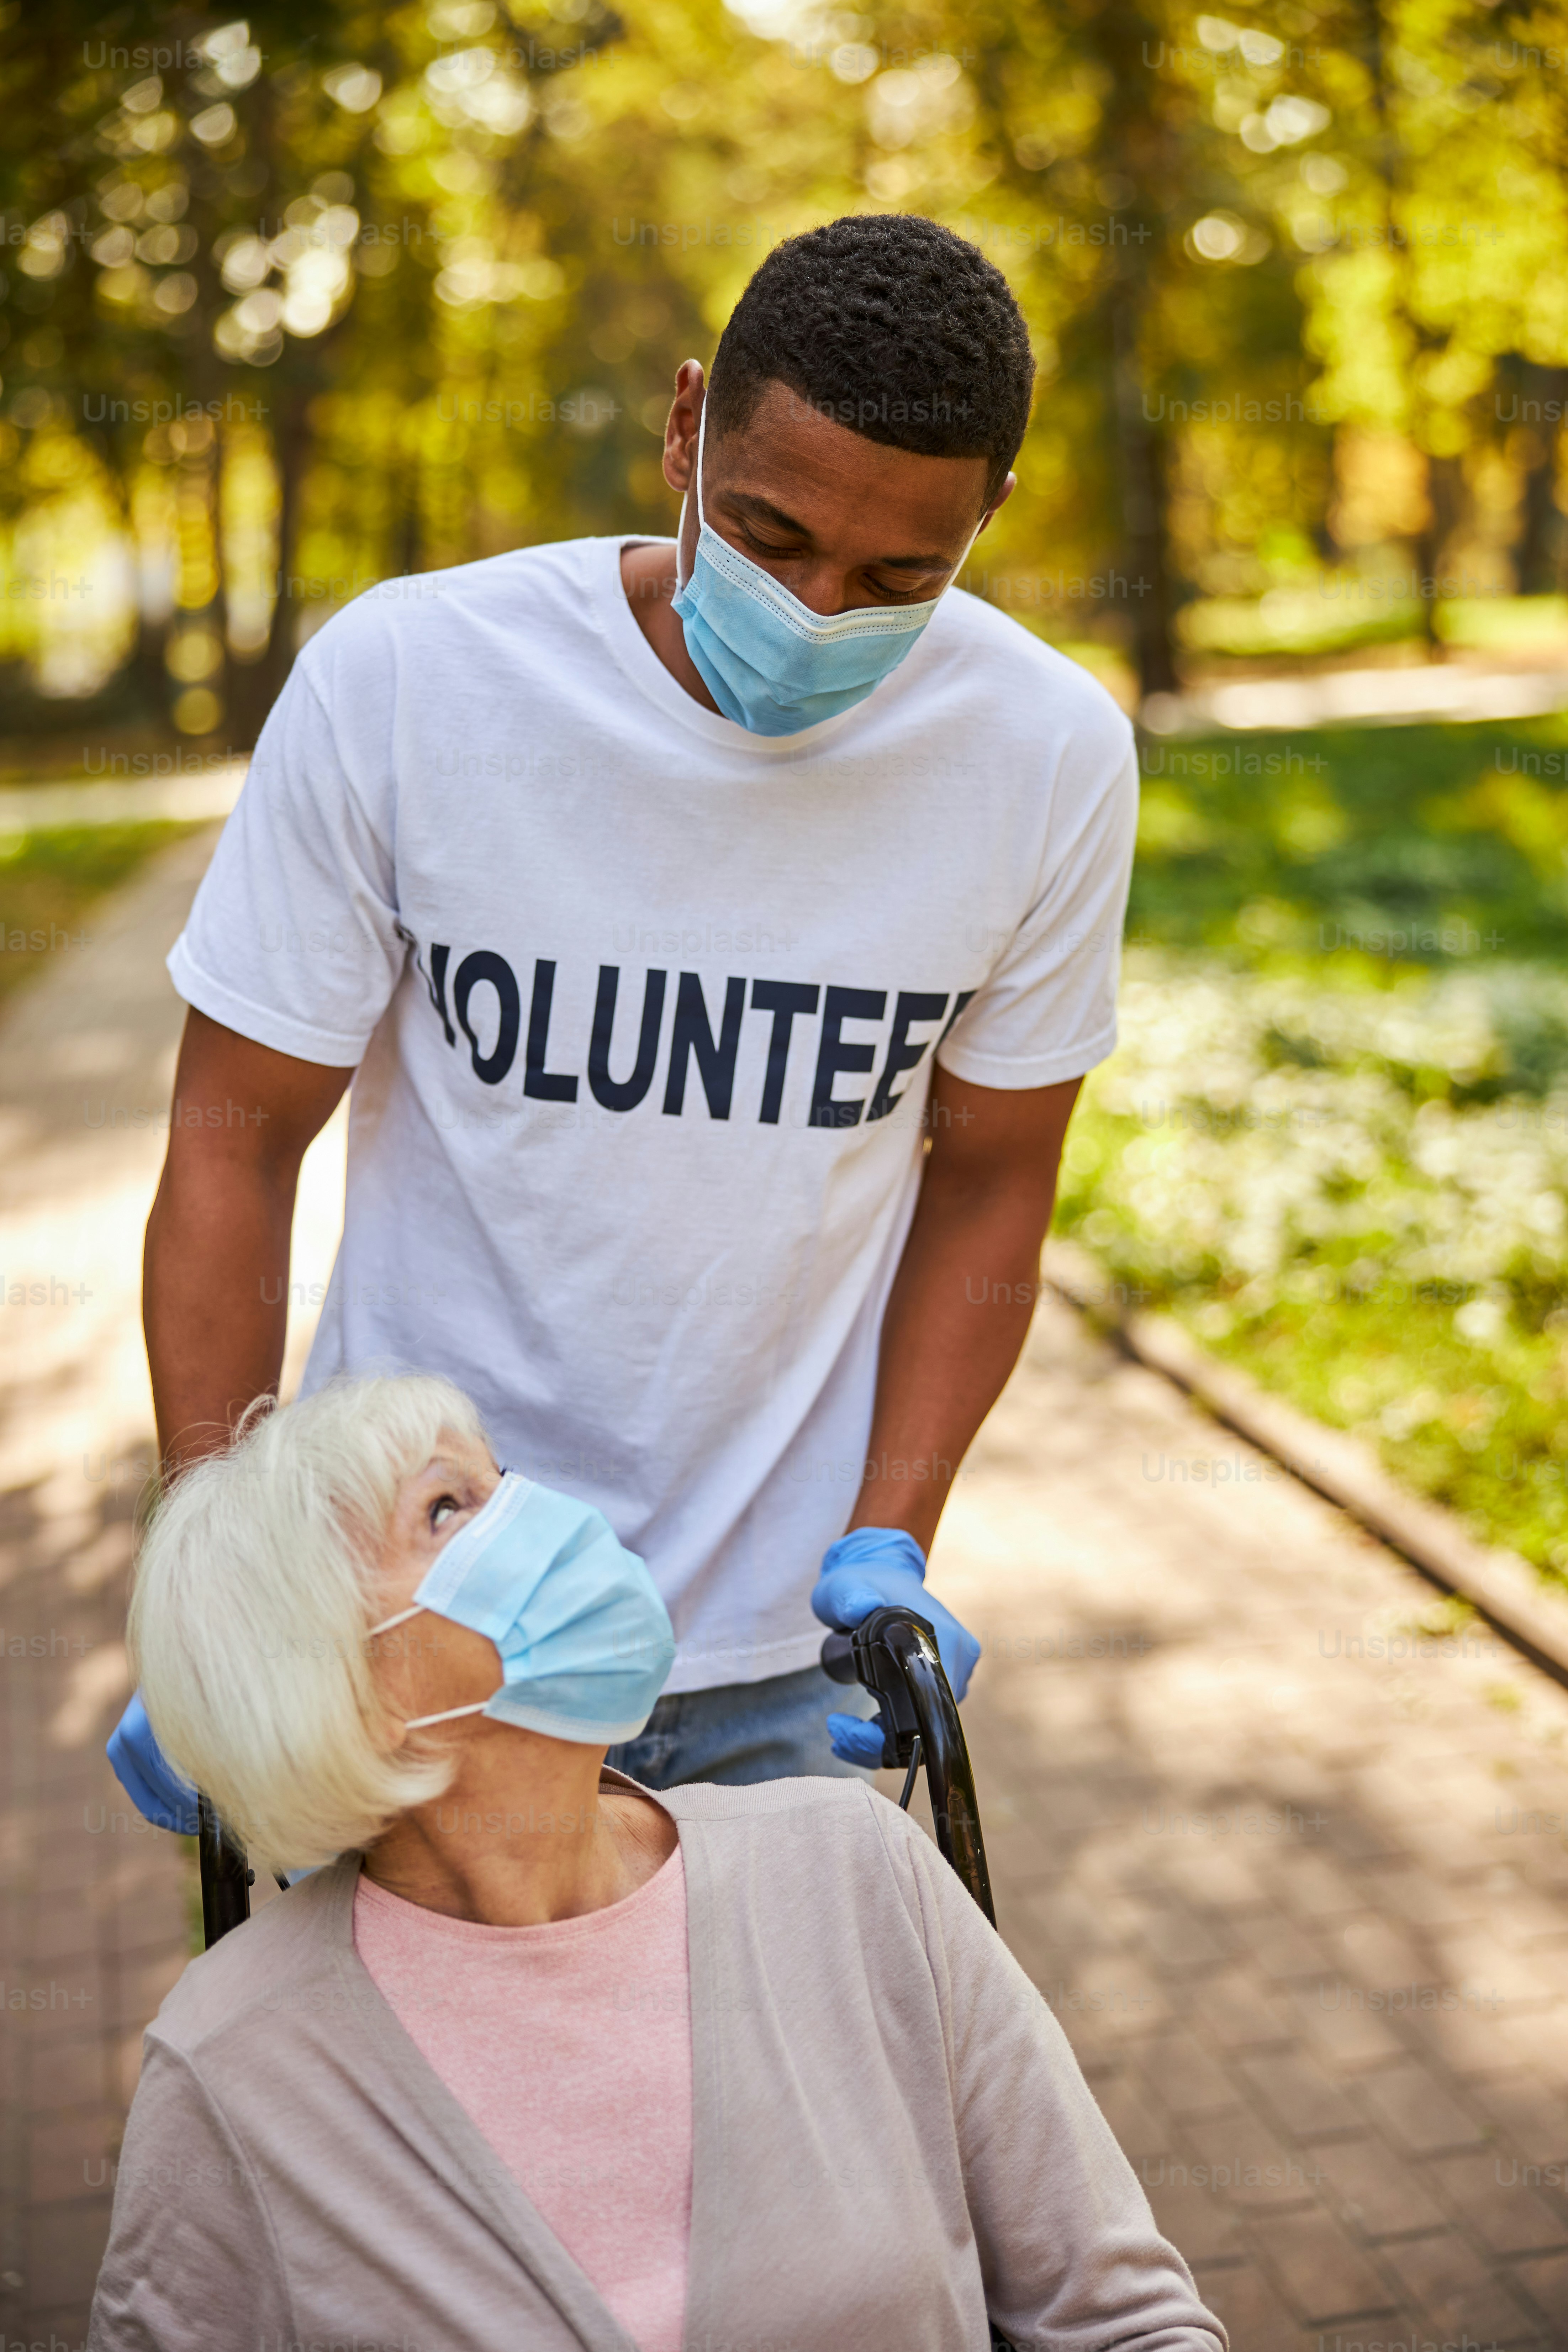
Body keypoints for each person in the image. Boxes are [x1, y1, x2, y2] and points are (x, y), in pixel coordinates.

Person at [110, 211, 1139, 1815]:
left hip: (786, 1663)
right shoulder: (409, 681)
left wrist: (895, 1535)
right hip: (401, 1634)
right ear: (682, 426)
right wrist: (212, 1573)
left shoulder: (1048, 755)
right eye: (769, 534)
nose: (812, 613)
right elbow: (233, 1141)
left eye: (896, 578)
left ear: (988, 514)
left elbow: (997, 1175)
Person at [90, 1373, 1224, 2352]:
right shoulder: (235, 2065)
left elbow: (1122, 2319)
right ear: (347, 1690)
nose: (540, 1519)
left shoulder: (855, 1874)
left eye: (502, 1480)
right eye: (448, 1508)